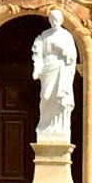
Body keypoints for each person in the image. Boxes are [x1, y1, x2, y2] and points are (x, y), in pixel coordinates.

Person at [30, 8, 78, 141]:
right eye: (52, 19)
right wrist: (37, 68)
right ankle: (45, 125)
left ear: (61, 21)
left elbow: (72, 56)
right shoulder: (44, 35)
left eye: (57, 19)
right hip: (48, 69)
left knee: (59, 98)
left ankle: (59, 126)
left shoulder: (66, 36)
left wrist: (61, 50)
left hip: (61, 69)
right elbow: (38, 54)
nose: (54, 22)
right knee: (45, 96)